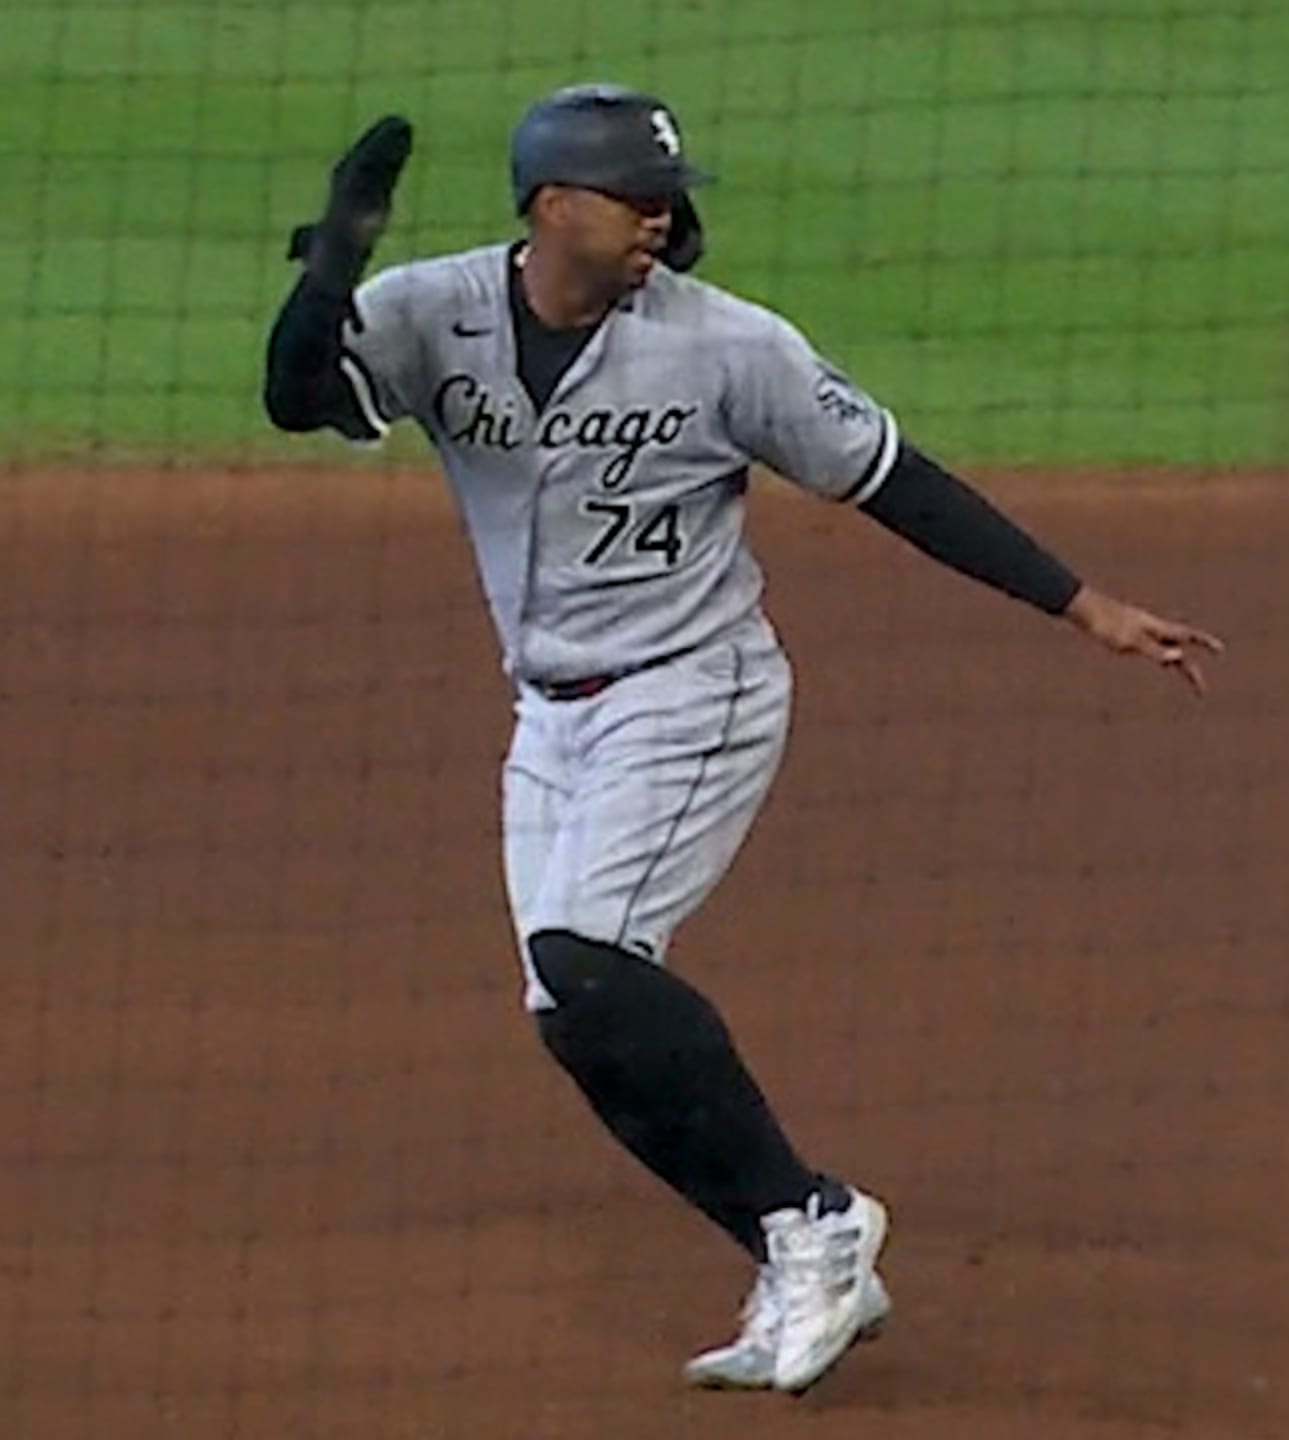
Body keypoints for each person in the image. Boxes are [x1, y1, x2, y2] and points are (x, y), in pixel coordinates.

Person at [260, 84, 1221, 1394]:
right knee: (574, 1014)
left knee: (586, 960)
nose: (663, 216)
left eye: (668, 195)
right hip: (548, 715)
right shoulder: (438, 312)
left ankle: (819, 1218)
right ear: (551, 206)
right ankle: (795, 1242)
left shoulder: (728, 346)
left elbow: (897, 481)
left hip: (691, 691)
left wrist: (1084, 604)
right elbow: (301, 398)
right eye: (633, 196)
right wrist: (330, 269)